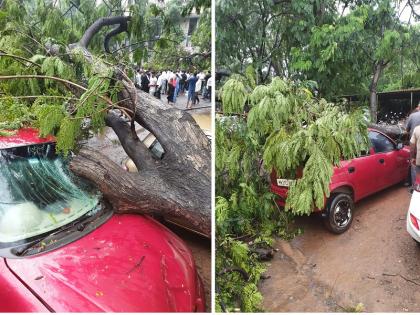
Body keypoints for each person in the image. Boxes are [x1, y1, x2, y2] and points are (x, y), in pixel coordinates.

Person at [406, 102, 420, 190]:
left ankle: (415, 187)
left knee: (415, 168)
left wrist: (412, 157)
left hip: (415, 146)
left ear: (418, 107)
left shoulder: (412, 116)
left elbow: (406, 129)